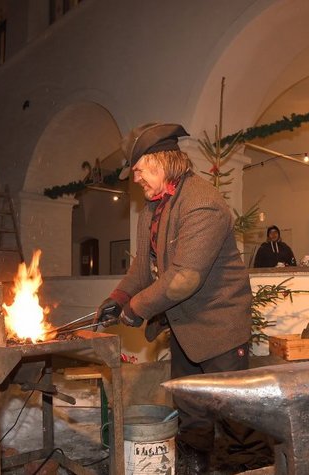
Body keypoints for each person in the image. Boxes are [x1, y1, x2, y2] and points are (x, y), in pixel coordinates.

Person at [94, 122, 255, 474]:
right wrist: (119, 297)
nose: (135, 179)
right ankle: (196, 468)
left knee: (236, 422)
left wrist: (137, 308)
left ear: (159, 161)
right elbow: (142, 265)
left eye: (138, 170)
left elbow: (184, 279)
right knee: (191, 414)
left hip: (220, 329)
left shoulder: (203, 203)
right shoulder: (152, 208)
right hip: (186, 329)